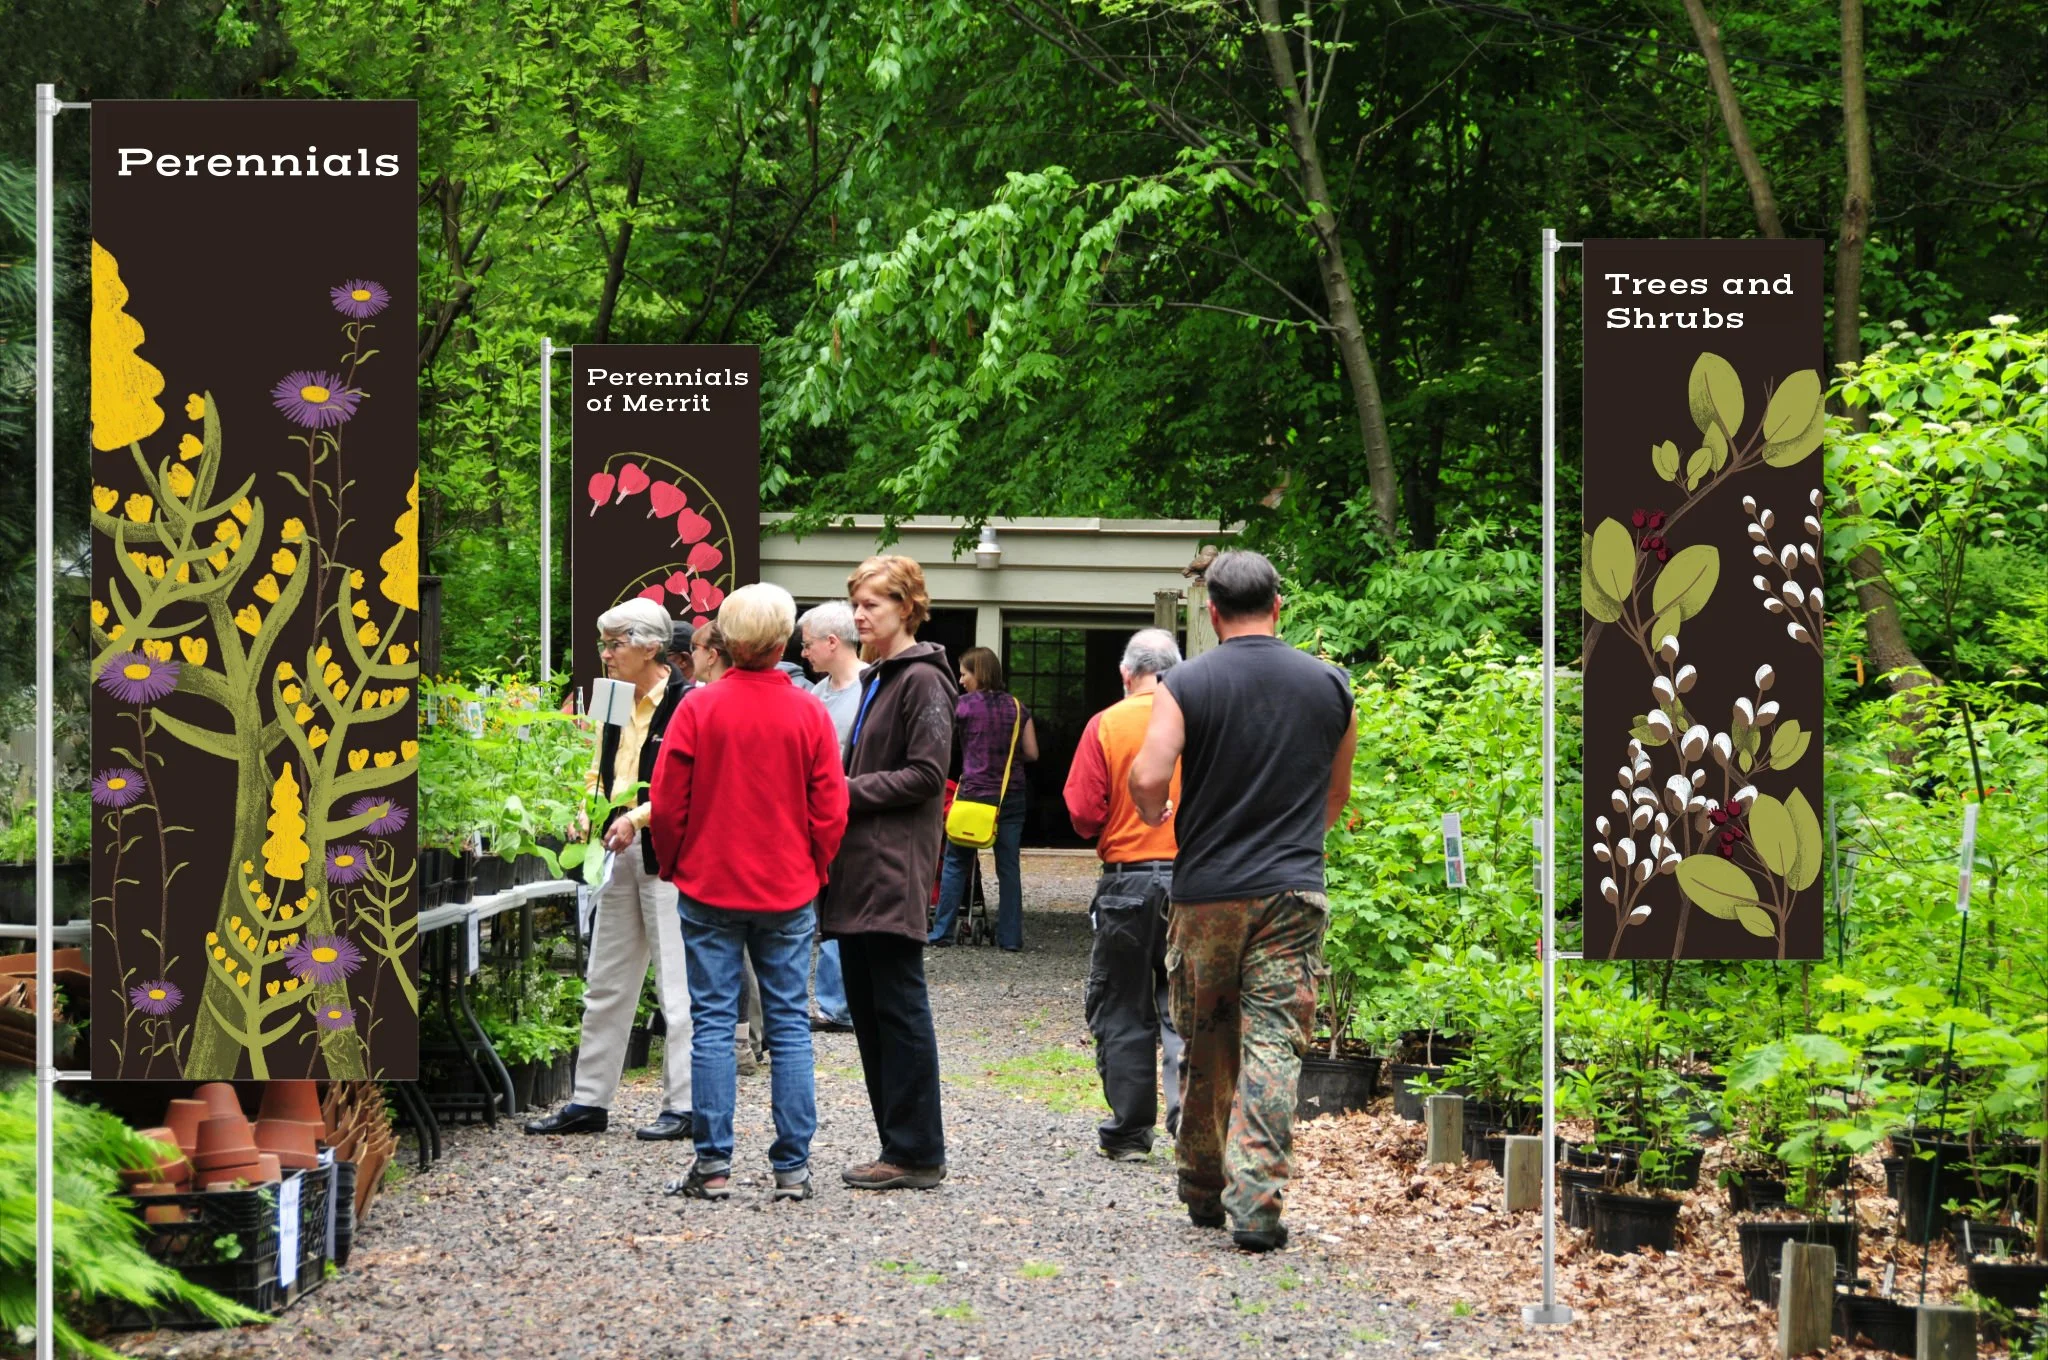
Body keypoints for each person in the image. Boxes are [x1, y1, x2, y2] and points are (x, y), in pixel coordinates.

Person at [1129, 550, 1356, 1253]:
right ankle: (1256, 1203)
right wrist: (1290, 845)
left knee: (1206, 1037)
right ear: (1279, 606)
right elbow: (1336, 796)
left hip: (1208, 894)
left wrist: (1159, 808)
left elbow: (1148, 773)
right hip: (1293, 892)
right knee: (1274, 1045)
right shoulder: (1331, 684)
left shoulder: (1187, 682)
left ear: (1213, 611)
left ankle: (1201, 1180)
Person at [648, 584, 848, 1201]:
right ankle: (792, 1167)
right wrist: (815, 867)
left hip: (710, 884)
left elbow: (669, 802)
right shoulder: (808, 711)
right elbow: (831, 807)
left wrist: (678, 864)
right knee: (788, 1023)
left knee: (711, 1022)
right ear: (785, 639)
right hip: (787, 887)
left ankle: (712, 1166)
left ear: (727, 642)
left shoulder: (699, 709)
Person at [526, 599, 694, 1140]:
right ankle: (589, 1101)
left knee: (677, 986)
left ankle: (684, 1106)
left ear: (651, 646)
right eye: (604, 642)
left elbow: (687, 785)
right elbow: (598, 766)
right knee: (605, 980)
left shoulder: (688, 703)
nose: (605, 653)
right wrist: (587, 808)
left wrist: (637, 819)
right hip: (616, 854)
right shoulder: (613, 697)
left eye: (615, 642)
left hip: (666, 856)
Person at [824, 556, 956, 1190]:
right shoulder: (885, 676)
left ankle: (916, 1152)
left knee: (897, 1010)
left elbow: (929, 775)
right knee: (871, 1010)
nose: (858, 615)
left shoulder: (922, 680)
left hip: (890, 868)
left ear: (907, 607)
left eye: (871, 603)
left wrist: (839, 790)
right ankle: (899, 1147)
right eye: (855, 604)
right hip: (862, 868)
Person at [1065, 628, 1186, 1162]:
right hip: (1194, 879)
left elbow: (1084, 815)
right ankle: (1190, 1123)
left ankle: (1131, 1132)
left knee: (1121, 1005)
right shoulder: (1196, 719)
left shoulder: (1106, 725)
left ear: (1125, 674)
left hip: (1126, 883)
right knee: (1188, 1006)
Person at [691, 623, 766, 1073]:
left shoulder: (701, 706)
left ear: (715, 654)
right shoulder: (788, 705)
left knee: (732, 960)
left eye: (696, 648)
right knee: (757, 962)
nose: (690, 655)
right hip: (764, 857)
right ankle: (754, 1039)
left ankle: (743, 1042)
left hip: (722, 855)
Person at [928, 647, 1037, 951]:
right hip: (1010, 797)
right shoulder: (1018, 707)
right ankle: (1010, 938)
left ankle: (942, 933)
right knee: (1008, 868)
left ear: (979, 673)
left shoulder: (961, 707)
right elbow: (1032, 752)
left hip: (973, 795)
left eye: (964, 673)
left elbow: (939, 743)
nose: (961, 680)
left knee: (955, 864)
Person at [797, 602, 864, 1032]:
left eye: (807, 645)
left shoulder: (871, 691)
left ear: (831, 643)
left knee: (843, 908)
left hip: (854, 819)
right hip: (814, 819)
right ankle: (830, 1001)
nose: (803, 654)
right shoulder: (815, 696)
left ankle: (837, 1003)